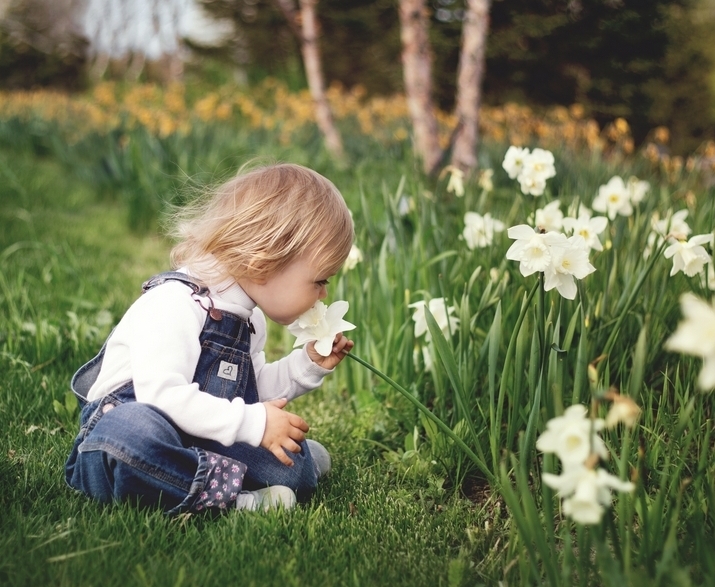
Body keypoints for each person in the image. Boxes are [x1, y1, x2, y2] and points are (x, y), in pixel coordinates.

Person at [64, 162, 355, 514]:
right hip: (131, 432)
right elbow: (162, 397)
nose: (323, 294)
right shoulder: (175, 303)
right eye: (320, 280)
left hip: (198, 432)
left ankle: (220, 474)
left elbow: (250, 391)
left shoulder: (250, 320)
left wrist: (305, 366)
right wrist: (253, 423)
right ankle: (233, 501)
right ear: (264, 260)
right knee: (130, 436)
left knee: (294, 469)